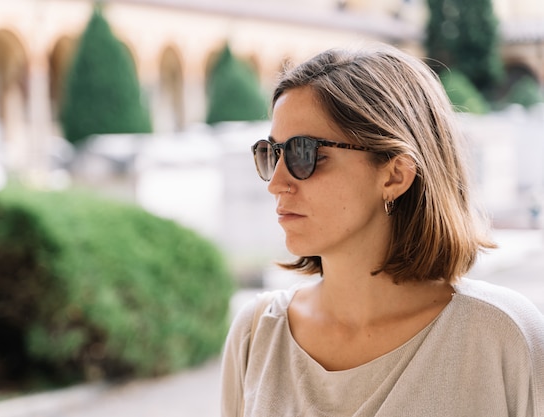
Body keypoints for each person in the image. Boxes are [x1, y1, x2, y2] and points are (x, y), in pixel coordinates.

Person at [220, 43, 544, 417]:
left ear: (394, 175)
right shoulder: (256, 334)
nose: (276, 182)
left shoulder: (503, 337)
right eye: (271, 153)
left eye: (303, 154)